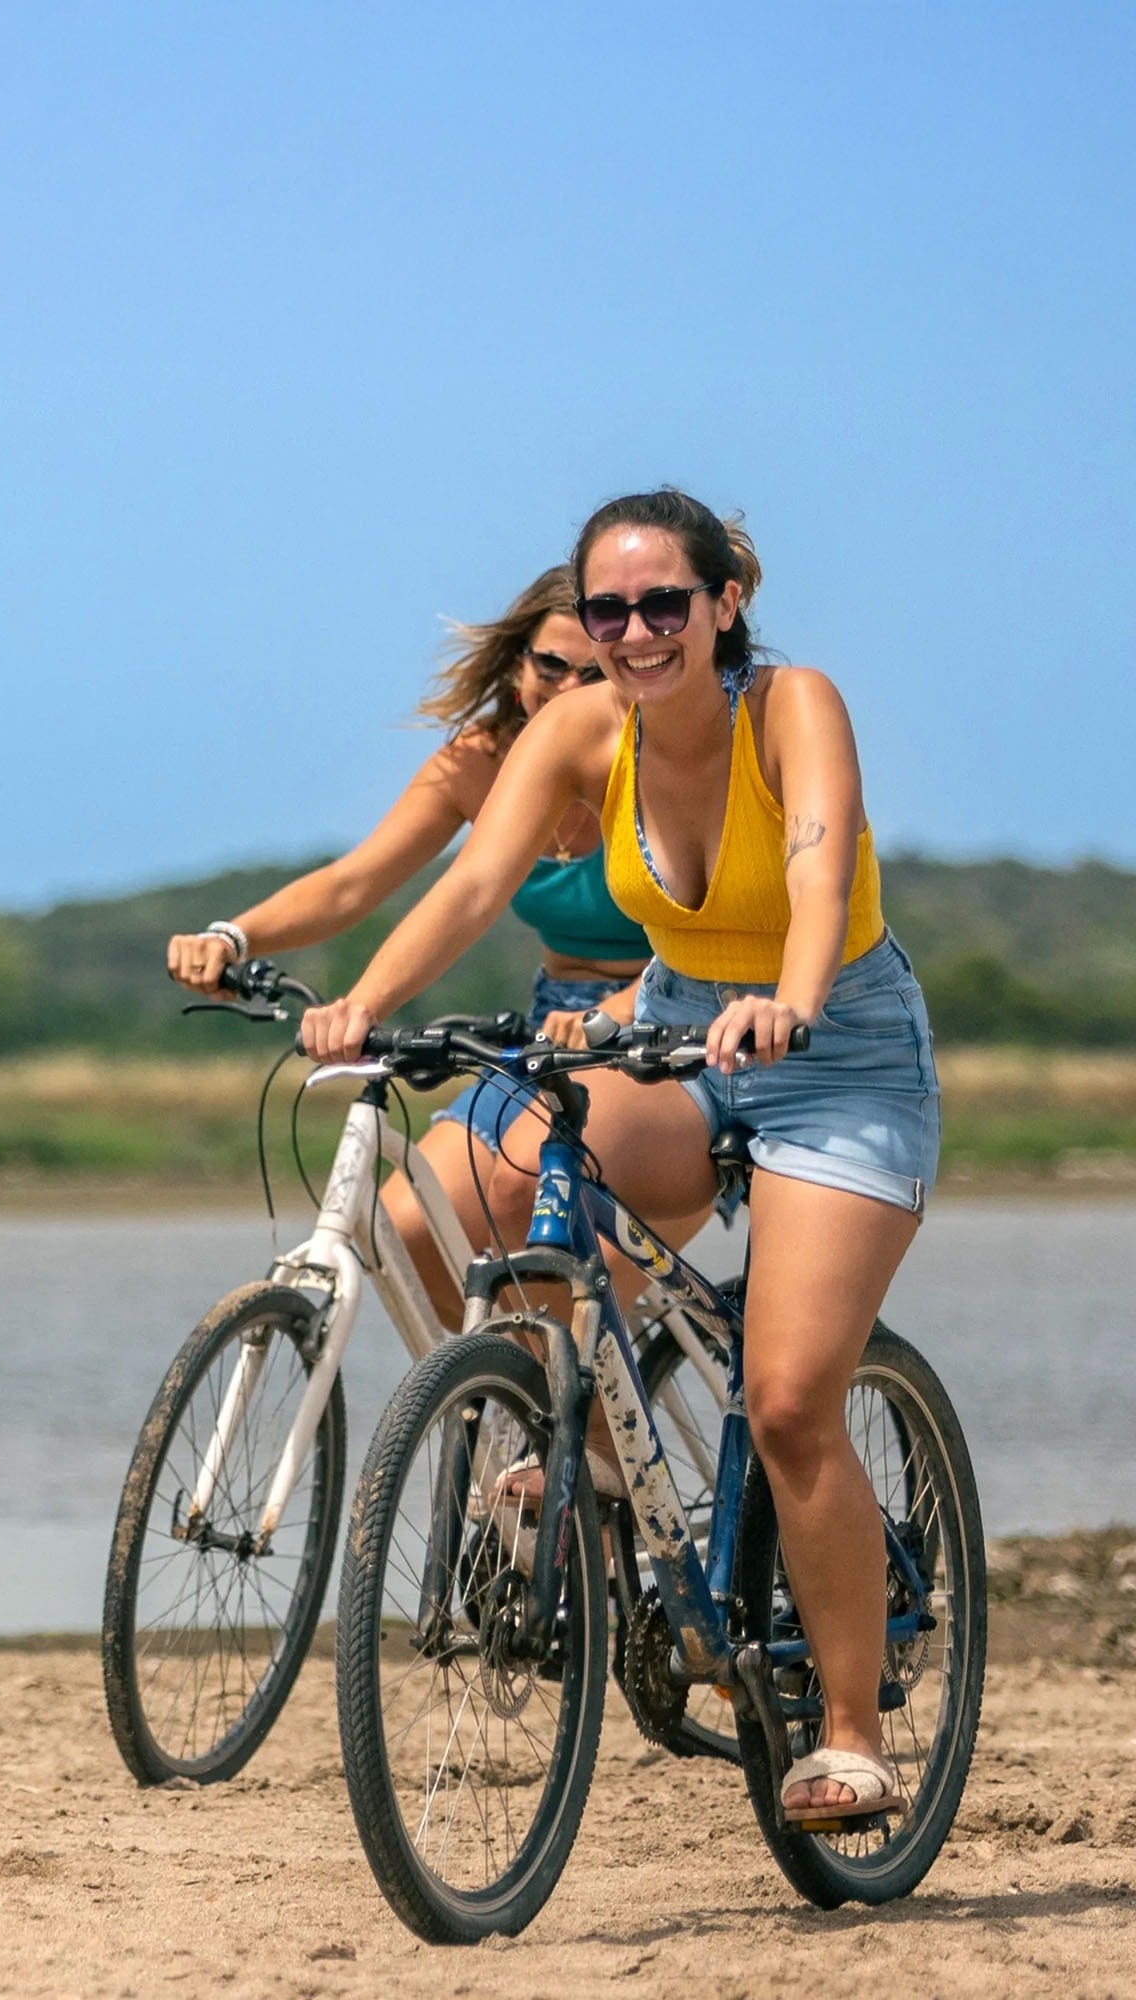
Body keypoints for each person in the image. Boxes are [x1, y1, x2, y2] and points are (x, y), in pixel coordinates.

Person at [298, 488, 940, 1827]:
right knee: (495, 1174)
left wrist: (796, 998)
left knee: (787, 1405)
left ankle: (849, 1730)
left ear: (725, 605)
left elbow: (818, 871)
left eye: (663, 604)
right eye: (609, 610)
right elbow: (473, 886)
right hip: (680, 1033)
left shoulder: (792, 707)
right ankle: (585, 1438)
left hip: (837, 1055)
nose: (636, 631)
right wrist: (366, 1002)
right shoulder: (588, 726)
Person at [165, 563, 648, 1310]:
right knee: (404, 1227)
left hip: (664, 1013)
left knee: (534, 1226)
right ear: (518, 661)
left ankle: (581, 1423)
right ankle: (500, 1399)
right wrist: (233, 936)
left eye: (590, 674)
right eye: (549, 665)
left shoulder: (657, 761)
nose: (564, 690)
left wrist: (620, 1006)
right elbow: (352, 883)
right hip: (554, 1017)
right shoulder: (482, 763)